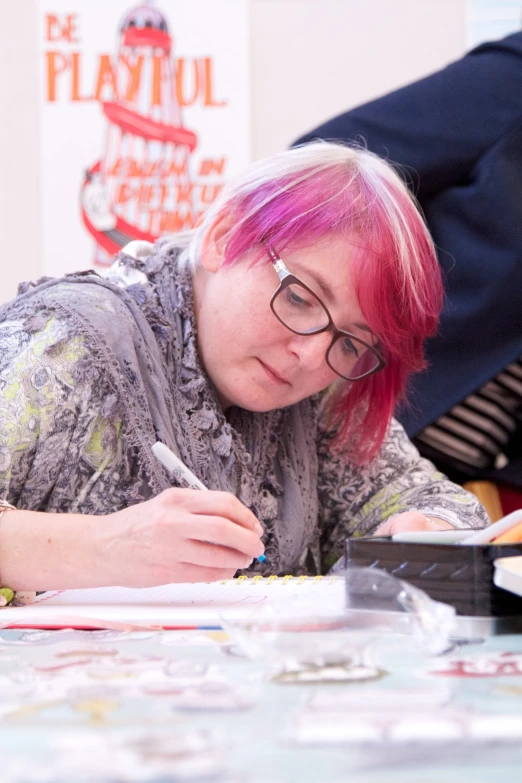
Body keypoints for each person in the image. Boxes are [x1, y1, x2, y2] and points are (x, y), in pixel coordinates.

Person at [0, 142, 487, 605]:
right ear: (224, 237)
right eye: (299, 297)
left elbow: (432, 502)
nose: (313, 356)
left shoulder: (320, 393)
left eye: (351, 341)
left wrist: (427, 528)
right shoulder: (68, 342)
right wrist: (107, 545)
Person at [294, 32, 522, 488]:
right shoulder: (512, 81)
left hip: (478, 475)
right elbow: (324, 166)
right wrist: (378, 309)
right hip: (370, 419)